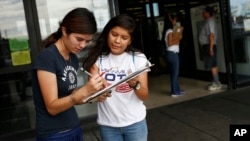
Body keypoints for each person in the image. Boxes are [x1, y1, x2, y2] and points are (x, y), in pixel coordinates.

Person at [32, 8, 108, 141]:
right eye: (79, 39)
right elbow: (52, 107)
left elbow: (71, 95)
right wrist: (85, 90)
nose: (82, 45)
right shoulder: (47, 57)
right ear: (64, 30)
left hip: (74, 127)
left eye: (87, 41)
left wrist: (94, 94)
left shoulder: (71, 57)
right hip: (53, 134)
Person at [83, 14, 150, 141]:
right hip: (108, 126)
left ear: (130, 40)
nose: (117, 41)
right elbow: (90, 95)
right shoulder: (98, 59)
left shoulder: (138, 58)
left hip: (135, 123)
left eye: (124, 37)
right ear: (108, 33)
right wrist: (98, 95)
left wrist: (135, 84)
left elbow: (144, 95)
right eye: (114, 34)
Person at [199, 6, 222, 91]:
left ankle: (216, 83)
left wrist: (211, 48)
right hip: (208, 46)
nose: (202, 13)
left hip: (209, 46)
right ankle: (215, 81)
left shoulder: (210, 22)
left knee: (213, 65)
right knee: (212, 64)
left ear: (208, 13)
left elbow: (211, 36)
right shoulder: (208, 21)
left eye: (204, 12)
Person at [162, 13, 184, 97]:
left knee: (174, 73)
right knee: (175, 73)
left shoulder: (170, 30)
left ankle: (177, 89)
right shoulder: (170, 31)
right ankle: (174, 92)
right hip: (172, 54)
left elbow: (179, 33)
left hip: (170, 54)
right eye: (174, 19)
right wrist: (178, 39)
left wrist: (175, 26)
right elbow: (170, 43)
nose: (175, 21)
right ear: (171, 20)